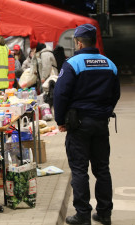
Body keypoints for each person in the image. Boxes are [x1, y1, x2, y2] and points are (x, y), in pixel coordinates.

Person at [53, 24, 120, 225]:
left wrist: (60, 120)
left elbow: (60, 94)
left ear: (79, 42)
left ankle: (82, 214)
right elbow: (115, 94)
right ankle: (105, 213)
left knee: (79, 169)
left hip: (79, 124)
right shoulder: (110, 64)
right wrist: (104, 111)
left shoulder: (73, 64)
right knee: (102, 169)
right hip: (100, 122)